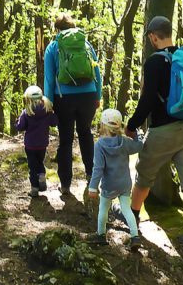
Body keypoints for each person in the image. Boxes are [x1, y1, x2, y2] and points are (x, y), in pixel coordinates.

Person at [126, 16, 183, 252]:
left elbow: (148, 100)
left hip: (162, 131)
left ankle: (132, 219)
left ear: (153, 36)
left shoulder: (154, 62)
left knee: (144, 175)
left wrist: (132, 125)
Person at [43, 13, 103, 194]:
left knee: (66, 139)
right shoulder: (86, 44)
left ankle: (65, 184)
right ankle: (92, 177)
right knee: (85, 133)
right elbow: (97, 73)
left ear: (57, 29)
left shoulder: (53, 47)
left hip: (64, 98)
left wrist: (48, 101)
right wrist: (97, 96)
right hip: (88, 95)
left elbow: (49, 78)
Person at [88, 109, 143, 249]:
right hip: (124, 183)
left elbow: (98, 168)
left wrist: (93, 187)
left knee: (103, 209)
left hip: (109, 185)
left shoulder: (99, 145)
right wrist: (138, 135)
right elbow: (138, 146)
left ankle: (101, 234)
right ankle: (135, 236)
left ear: (103, 125)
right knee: (127, 209)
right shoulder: (124, 141)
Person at [15, 85, 58, 197]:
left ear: (28, 99)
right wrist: (53, 112)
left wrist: (16, 122)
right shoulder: (47, 111)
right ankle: (42, 176)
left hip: (30, 145)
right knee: (40, 162)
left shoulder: (26, 113)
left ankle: (34, 188)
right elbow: (54, 122)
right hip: (42, 144)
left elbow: (20, 127)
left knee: (32, 166)